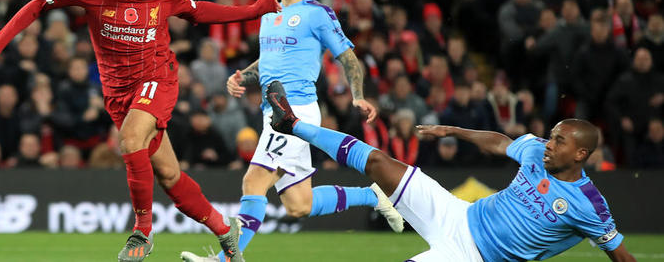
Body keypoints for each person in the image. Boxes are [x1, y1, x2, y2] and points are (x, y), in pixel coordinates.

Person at [0, 0, 281, 262]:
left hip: (158, 79)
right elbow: (38, 4)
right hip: (118, 94)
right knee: (169, 175)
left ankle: (142, 230)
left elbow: (199, 11)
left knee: (131, 140)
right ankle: (223, 229)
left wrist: (254, 9)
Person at [180, 0, 403, 262]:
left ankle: (226, 259)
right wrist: (243, 75)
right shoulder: (268, 12)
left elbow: (348, 57)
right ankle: (372, 195)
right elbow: (269, 58)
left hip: (293, 111)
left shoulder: (318, 13)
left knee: (254, 180)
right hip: (271, 111)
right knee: (299, 204)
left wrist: (357, 94)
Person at [264, 81, 637, 261]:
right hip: (455, 212)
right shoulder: (537, 153)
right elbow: (498, 142)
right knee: (379, 162)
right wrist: (452, 131)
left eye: (559, 141)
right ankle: (291, 124)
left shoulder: (589, 206)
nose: (549, 144)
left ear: (581, 154)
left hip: (471, 255)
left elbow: (621, 256)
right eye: (551, 137)